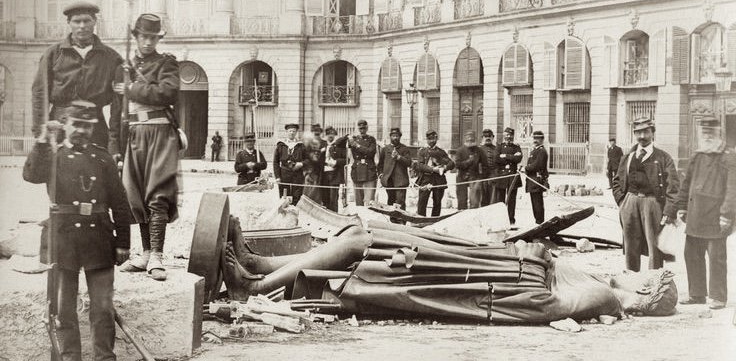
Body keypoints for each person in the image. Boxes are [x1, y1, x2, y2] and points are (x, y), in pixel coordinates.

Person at [223, 221, 678, 324]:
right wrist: (533, 254)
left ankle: (255, 283)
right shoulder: (601, 288)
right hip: (477, 260)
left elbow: (540, 303)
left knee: (363, 244)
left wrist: (534, 256)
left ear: (644, 297)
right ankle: (259, 265)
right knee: (362, 238)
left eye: (646, 280)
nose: (636, 274)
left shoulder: (604, 299)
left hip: (469, 273)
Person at [23, 102, 132, 361]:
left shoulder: (103, 158)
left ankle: (104, 357)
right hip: (63, 241)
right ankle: (70, 357)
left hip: (99, 239)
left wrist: (123, 243)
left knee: (103, 309)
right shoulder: (53, 156)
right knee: (63, 309)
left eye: (87, 126)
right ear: (65, 125)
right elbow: (30, 175)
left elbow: (120, 203)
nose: (81, 130)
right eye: (76, 125)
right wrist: (43, 139)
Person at [111, 13, 180, 281]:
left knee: (157, 193)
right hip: (134, 134)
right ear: (136, 37)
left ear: (158, 39)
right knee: (136, 194)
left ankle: (158, 256)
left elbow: (167, 93)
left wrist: (131, 89)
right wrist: (115, 146)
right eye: (144, 37)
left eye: (153, 37)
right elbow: (117, 112)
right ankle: (145, 254)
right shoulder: (123, 68)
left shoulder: (167, 64)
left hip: (160, 132)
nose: (148, 42)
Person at [32, 2, 122, 147]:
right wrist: (41, 129)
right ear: (69, 23)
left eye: (86, 21)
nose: (82, 26)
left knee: (94, 167)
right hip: (59, 125)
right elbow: (39, 94)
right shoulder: (53, 54)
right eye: (76, 21)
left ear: (94, 22)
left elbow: (118, 103)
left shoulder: (111, 58)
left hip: (94, 126)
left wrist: (114, 141)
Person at [675, 116, 736, 310]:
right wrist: (682, 206)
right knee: (691, 254)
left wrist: (727, 214)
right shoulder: (698, 156)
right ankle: (697, 294)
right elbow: (686, 184)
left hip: (715, 216)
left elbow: (733, 188)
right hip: (695, 214)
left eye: (711, 132)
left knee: (716, 257)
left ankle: (718, 297)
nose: (707, 136)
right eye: (705, 133)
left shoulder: (728, 156)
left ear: (719, 134)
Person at [612, 118, 679, 272]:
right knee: (630, 245)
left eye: (646, 132)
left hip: (652, 203)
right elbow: (617, 180)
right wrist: (622, 201)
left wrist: (669, 212)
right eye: (638, 132)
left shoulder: (663, 157)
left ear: (652, 133)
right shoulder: (628, 156)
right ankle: (632, 280)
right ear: (634, 134)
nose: (642, 136)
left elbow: (673, 187)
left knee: (654, 246)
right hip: (630, 201)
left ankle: (653, 283)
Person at [414, 130, 455, 217]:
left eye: (433, 138)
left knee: (437, 202)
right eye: (429, 139)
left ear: (436, 138)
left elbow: (451, 163)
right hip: (425, 179)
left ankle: (435, 219)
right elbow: (420, 166)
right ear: (427, 139)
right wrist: (432, 169)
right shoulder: (422, 151)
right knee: (422, 201)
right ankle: (420, 219)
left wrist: (444, 168)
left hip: (438, 180)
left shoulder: (441, 152)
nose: (432, 141)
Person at [378, 128, 412, 223]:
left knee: (400, 202)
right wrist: (381, 175)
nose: (395, 138)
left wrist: (399, 157)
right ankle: (393, 221)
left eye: (397, 136)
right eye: (393, 136)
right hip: (389, 180)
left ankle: (402, 221)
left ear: (400, 137)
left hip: (401, 181)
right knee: (391, 201)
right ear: (390, 137)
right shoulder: (385, 149)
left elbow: (409, 162)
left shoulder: (404, 149)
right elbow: (380, 164)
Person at [494, 128, 524, 226]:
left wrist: (505, 156)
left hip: (512, 176)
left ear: (513, 136)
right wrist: (512, 157)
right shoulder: (499, 146)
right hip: (502, 176)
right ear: (504, 135)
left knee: (512, 200)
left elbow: (518, 158)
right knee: (500, 200)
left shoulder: (516, 147)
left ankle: (511, 220)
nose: (508, 137)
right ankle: (500, 219)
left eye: (510, 135)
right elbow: (496, 159)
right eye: (506, 135)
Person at [454, 131, 488, 210]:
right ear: (465, 139)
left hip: (475, 177)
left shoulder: (479, 151)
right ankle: (462, 218)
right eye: (468, 139)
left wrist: (481, 177)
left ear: (475, 139)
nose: (470, 140)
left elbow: (485, 165)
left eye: (472, 139)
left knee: (475, 201)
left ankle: (473, 216)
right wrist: (469, 161)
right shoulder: (460, 150)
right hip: (461, 177)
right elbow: (457, 164)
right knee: (462, 200)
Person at [274, 123, 306, 205]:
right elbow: (276, 162)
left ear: (296, 133)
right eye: (290, 131)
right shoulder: (281, 145)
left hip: (297, 174)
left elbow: (308, 160)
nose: (292, 133)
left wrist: (301, 164)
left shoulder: (301, 146)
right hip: (284, 174)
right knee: (284, 196)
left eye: (294, 131)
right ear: (286, 132)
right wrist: (277, 176)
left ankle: (294, 213)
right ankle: (285, 215)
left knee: (297, 196)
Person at [348, 119, 378, 206]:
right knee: (358, 201)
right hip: (357, 171)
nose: (362, 130)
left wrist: (357, 145)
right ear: (358, 129)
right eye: (360, 129)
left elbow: (370, 152)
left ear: (367, 128)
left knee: (370, 202)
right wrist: (347, 137)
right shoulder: (353, 139)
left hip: (369, 171)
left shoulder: (371, 139)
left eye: (364, 128)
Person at [321, 126, 348, 212]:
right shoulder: (322, 145)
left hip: (334, 174)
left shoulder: (340, 145)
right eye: (328, 134)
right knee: (324, 196)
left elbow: (347, 160)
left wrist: (336, 162)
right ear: (325, 135)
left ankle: (333, 213)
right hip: (323, 174)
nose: (330, 136)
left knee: (333, 197)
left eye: (332, 134)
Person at [525, 131, 549, 225]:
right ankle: (537, 222)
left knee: (537, 203)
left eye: (538, 139)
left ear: (542, 140)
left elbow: (537, 165)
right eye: (534, 138)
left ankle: (540, 222)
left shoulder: (542, 151)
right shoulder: (534, 150)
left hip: (537, 180)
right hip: (532, 180)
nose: (535, 140)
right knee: (534, 203)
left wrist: (525, 168)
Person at [302, 125, 327, 204]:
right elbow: (307, 158)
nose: (316, 135)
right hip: (310, 171)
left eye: (318, 133)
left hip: (321, 170)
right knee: (309, 190)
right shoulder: (307, 145)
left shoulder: (324, 143)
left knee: (319, 191)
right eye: (315, 133)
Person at [479, 129, 498, 207]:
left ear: (493, 137)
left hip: (494, 178)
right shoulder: (479, 149)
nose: (488, 138)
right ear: (482, 138)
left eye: (489, 136)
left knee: (493, 201)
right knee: (482, 201)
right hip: (482, 178)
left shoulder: (497, 149)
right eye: (485, 136)